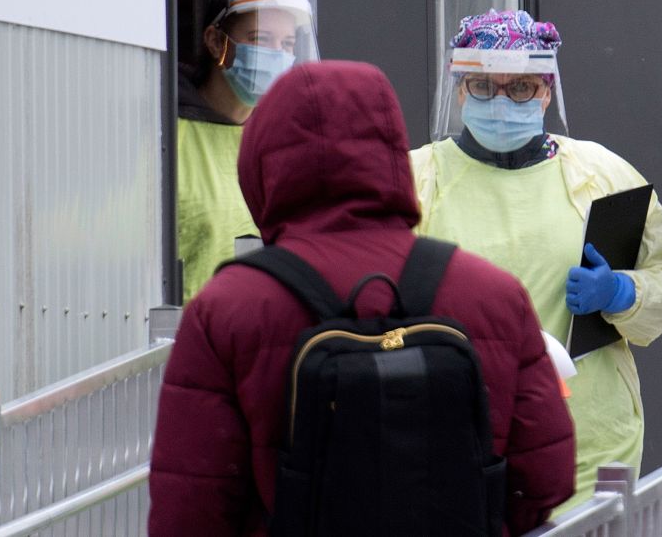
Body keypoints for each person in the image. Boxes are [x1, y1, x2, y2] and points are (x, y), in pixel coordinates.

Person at [149, 60, 576, 536]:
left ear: (262, 161)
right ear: (391, 151)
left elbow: (189, 508)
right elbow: (545, 479)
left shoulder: (226, 309)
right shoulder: (490, 294)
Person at [410, 9, 662, 510]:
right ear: (458, 90)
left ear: (545, 91)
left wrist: (624, 292)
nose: (500, 101)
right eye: (482, 86)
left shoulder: (601, 174)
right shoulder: (417, 180)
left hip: (590, 438)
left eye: (519, 87)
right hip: (459, 433)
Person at [176, 0, 317, 300]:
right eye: (259, 39)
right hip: (189, 340)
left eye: (286, 44)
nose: (277, 55)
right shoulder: (168, 138)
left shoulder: (286, 145)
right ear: (214, 41)